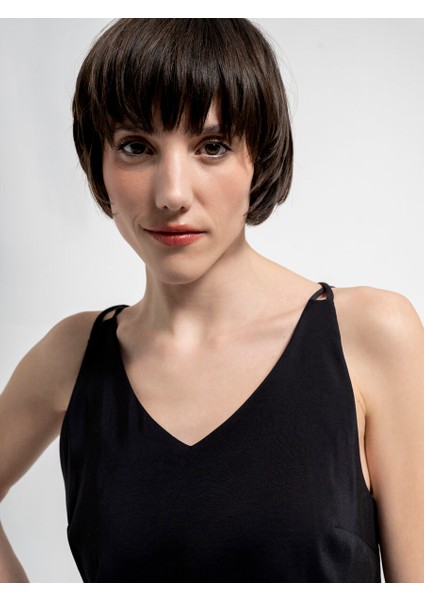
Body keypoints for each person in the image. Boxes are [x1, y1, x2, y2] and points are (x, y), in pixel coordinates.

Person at [0, 17, 423, 583]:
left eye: (212, 146)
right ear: (97, 161)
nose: (172, 194)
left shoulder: (371, 336)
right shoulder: (74, 356)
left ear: (260, 157)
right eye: (136, 147)